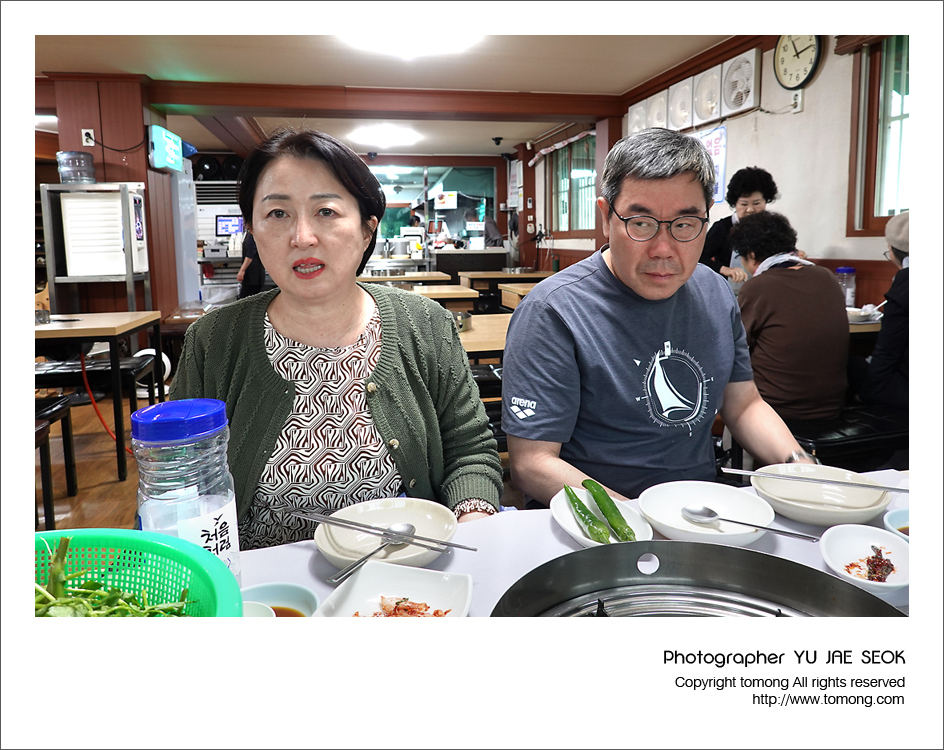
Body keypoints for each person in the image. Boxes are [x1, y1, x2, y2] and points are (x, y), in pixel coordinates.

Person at [170, 128, 503, 549]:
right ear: (252, 229)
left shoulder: (427, 324)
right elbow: (177, 479)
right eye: (277, 213)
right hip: (261, 582)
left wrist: (472, 519)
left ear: (367, 229)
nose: (302, 237)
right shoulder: (213, 340)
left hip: (406, 570)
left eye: (326, 211)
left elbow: (470, 449)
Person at [501, 128, 818, 505]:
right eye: (641, 223)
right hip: (597, 521)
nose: (663, 249)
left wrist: (801, 467)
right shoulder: (553, 310)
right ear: (606, 216)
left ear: (706, 219)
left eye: (685, 224)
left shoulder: (715, 292)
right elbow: (533, 463)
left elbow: (744, 403)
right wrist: (638, 519)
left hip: (700, 510)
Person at [729, 211, 848, 421]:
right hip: (833, 406)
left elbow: (733, 344)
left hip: (775, 410)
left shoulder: (759, 286)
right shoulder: (827, 276)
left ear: (752, 255)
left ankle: (729, 444)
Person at [850, 211, 909, 411]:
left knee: (847, 364)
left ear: (892, 250)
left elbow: (888, 349)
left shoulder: (907, 282)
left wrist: (868, 394)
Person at [699, 166, 780, 288]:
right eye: (744, 204)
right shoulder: (722, 228)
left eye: (756, 203)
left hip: (764, 290)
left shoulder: (773, 228)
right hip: (728, 290)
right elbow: (700, 257)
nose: (750, 209)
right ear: (734, 204)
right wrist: (724, 269)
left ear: (766, 201)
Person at [235, 231, 266, 299]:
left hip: (253, 275)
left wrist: (242, 270)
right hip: (256, 274)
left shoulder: (252, 235)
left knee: (245, 299)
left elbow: (250, 255)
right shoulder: (253, 233)